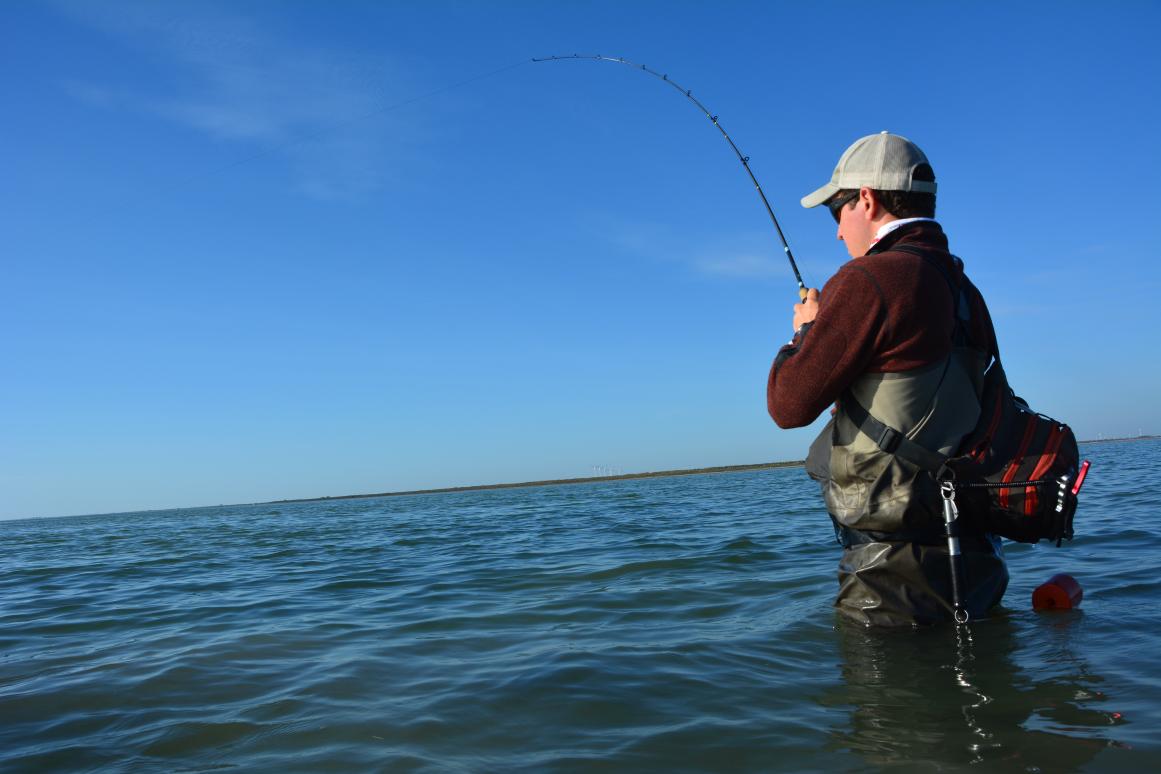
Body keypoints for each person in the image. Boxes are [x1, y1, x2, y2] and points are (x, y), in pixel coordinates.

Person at [767, 132, 1009, 627]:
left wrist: (805, 332)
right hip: (975, 552)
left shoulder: (868, 280)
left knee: (887, 700)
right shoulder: (964, 289)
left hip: (891, 573)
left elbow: (787, 406)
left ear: (868, 200)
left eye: (838, 211)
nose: (837, 232)